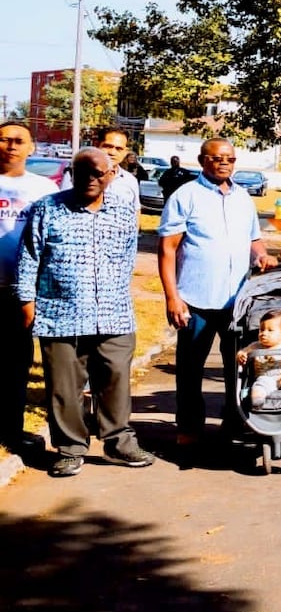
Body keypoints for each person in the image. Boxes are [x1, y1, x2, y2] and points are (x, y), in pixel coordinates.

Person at [17, 147, 151, 476]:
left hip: (114, 313)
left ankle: (118, 441)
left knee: (116, 381)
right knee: (64, 387)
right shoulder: (47, 209)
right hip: (59, 313)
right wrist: (27, 304)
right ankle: (70, 447)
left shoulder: (123, 212)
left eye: (98, 173)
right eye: (82, 172)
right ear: (71, 174)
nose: (90, 178)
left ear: (111, 175)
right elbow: (29, 258)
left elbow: (127, 259)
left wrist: (117, 295)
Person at [159, 138, 277, 455]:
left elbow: (255, 239)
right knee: (190, 369)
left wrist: (262, 255)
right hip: (195, 299)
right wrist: (172, 297)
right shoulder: (185, 196)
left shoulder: (243, 198)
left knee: (237, 366)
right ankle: (188, 429)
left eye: (229, 158)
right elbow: (167, 249)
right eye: (216, 157)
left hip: (237, 303)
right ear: (202, 160)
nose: (224, 163)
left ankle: (233, 422)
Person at [1, 122, 61, 448]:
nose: (11, 145)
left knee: (15, 364)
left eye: (18, 140)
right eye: (4, 139)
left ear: (31, 147)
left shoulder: (44, 190)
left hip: (22, 291)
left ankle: (10, 430)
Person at [93, 128, 141, 207]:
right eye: (108, 146)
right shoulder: (79, 175)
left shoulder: (130, 181)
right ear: (97, 145)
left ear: (125, 152)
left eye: (119, 149)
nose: (112, 153)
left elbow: (135, 213)